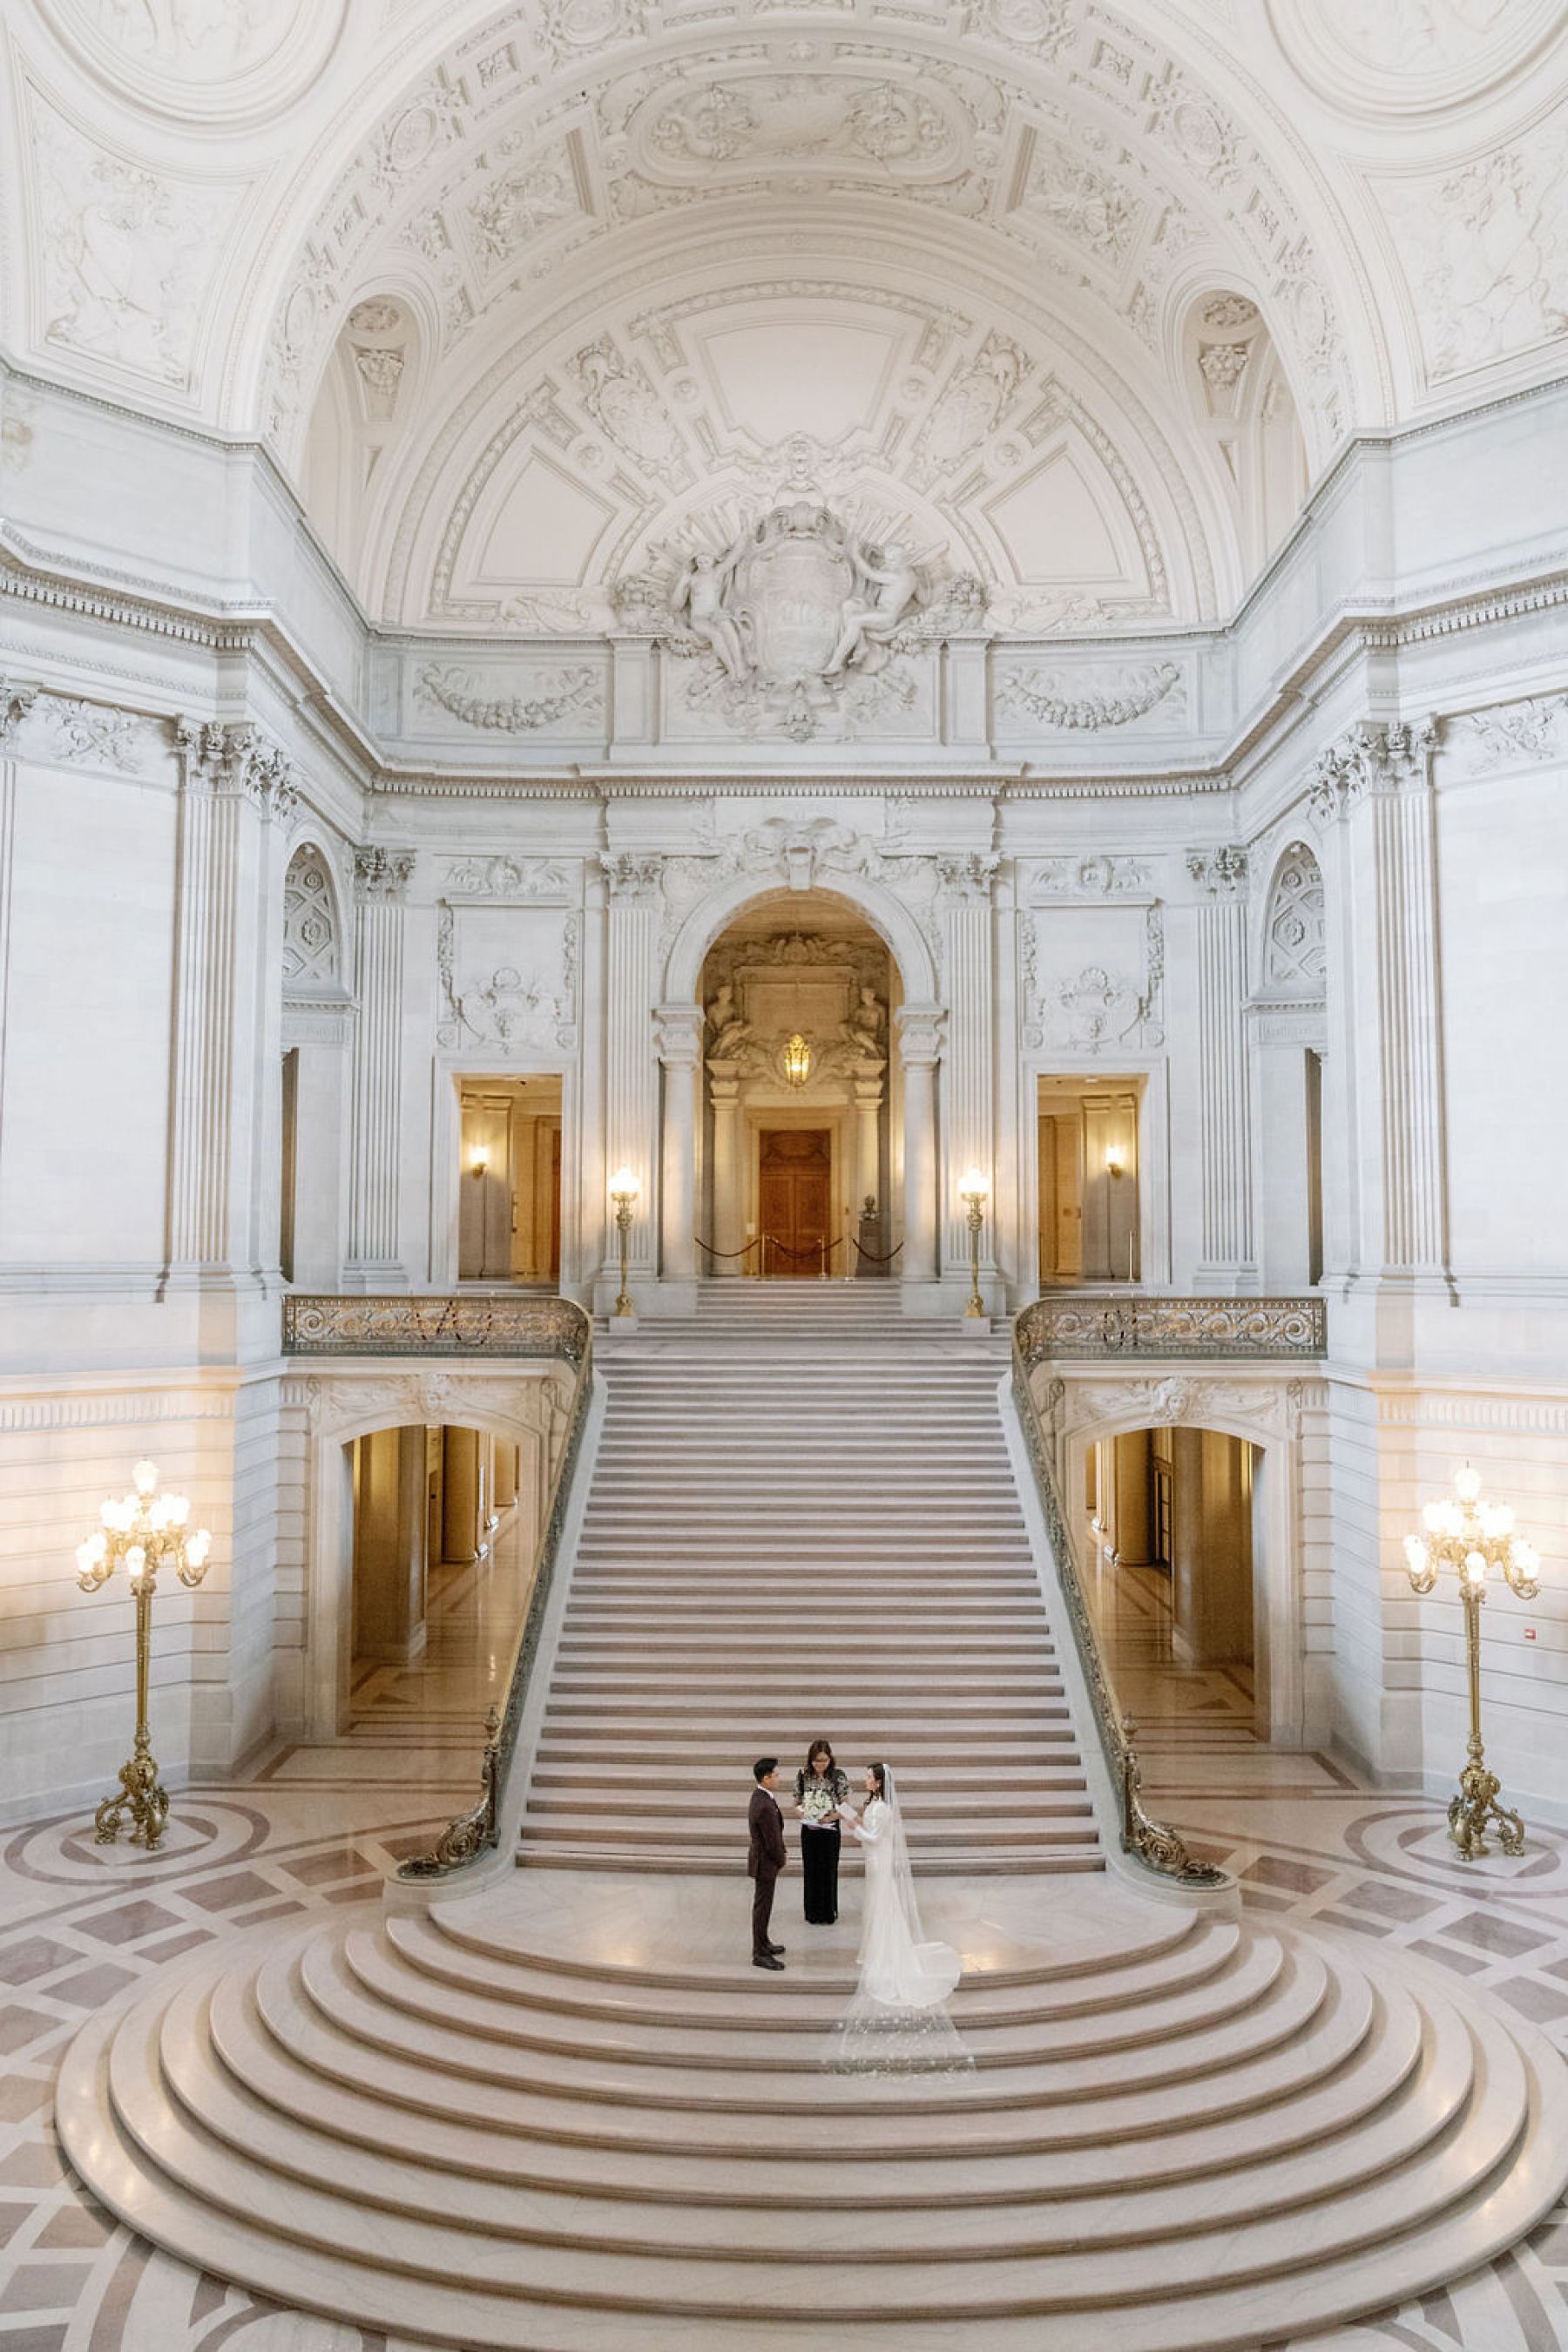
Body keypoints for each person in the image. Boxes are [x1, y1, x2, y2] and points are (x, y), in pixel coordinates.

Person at [832, 1761, 970, 2070]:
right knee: (879, 1908)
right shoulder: (877, 1804)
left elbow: (873, 1838)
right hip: (875, 1864)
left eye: (869, 1777)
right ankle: (880, 1949)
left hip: (879, 1865)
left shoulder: (880, 1809)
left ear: (880, 1782)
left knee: (883, 1907)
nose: (865, 1780)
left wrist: (852, 1822)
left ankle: (886, 1954)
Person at [793, 1739, 849, 1925]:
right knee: (811, 1869)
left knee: (829, 1869)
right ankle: (812, 1912)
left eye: (824, 1760)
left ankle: (828, 1911)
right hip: (809, 1830)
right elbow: (796, 1803)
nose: (820, 1765)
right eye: (816, 1761)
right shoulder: (803, 1775)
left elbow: (846, 1806)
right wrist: (805, 1815)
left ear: (830, 1759)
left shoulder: (838, 1776)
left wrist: (829, 1818)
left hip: (830, 1829)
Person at [747, 1757, 787, 1970]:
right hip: (765, 1862)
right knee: (762, 1908)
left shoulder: (763, 1797)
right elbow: (771, 1840)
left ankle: (763, 1942)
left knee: (764, 1906)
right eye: (776, 1775)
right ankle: (759, 1953)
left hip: (765, 1860)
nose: (779, 1778)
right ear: (766, 1778)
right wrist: (781, 1858)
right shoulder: (763, 1804)